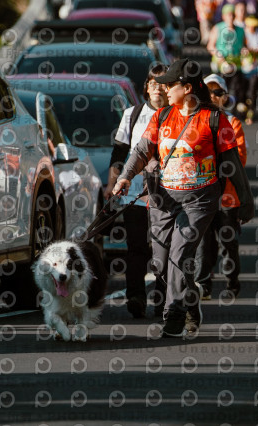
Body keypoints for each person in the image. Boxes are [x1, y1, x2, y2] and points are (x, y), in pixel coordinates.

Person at [113, 58, 254, 337]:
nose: (164, 90)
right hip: (163, 199)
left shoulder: (216, 120)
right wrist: (125, 176)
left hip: (199, 200)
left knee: (180, 253)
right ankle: (190, 301)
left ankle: (173, 315)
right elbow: (141, 150)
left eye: (170, 85)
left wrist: (245, 199)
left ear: (187, 88)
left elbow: (232, 163)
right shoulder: (162, 116)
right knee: (161, 263)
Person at [104, 65, 169, 319]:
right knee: (136, 247)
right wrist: (112, 184)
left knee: (164, 248)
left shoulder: (177, 114)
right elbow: (119, 152)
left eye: (163, 84)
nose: (158, 89)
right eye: (153, 84)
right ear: (146, 88)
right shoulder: (133, 114)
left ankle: (163, 300)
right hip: (135, 195)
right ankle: (136, 297)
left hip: (168, 195)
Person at [195, 74, 247, 300]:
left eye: (218, 92)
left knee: (228, 241)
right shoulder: (196, 120)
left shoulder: (233, 122)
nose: (213, 96)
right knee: (203, 243)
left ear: (224, 97)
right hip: (202, 194)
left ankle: (232, 281)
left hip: (227, 196)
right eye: (209, 92)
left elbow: (239, 158)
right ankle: (203, 284)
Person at [207, 3, 248, 113]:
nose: (231, 17)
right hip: (222, 64)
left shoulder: (240, 30)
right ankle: (218, 111)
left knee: (237, 88)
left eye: (233, 15)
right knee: (220, 89)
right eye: (229, 15)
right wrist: (219, 56)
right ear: (223, 16)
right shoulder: (218, 28)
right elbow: (210, 46)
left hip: (236, 64)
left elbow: (243, 45)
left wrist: (244, 50)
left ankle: (233, 112)